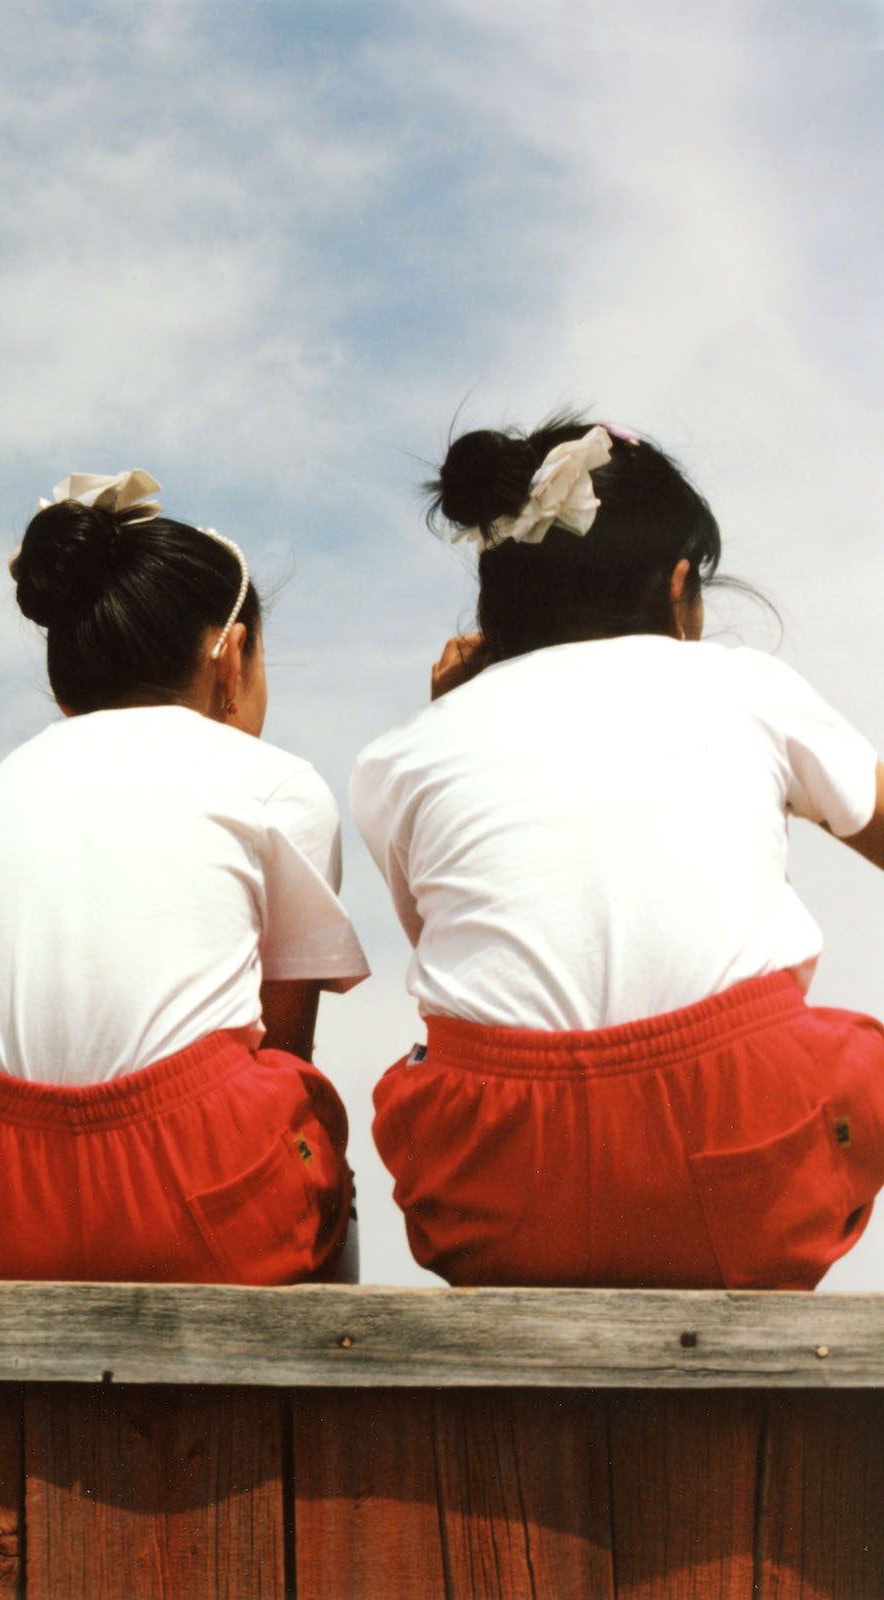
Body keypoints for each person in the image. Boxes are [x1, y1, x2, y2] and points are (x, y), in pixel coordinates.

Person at [352, 417, 884, 1289]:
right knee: (848, 1054)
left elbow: (470, 952)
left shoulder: (400, 757)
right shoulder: (742, 685)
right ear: (681, 588)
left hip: (501, 1200)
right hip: (748, 1172)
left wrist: (444, 714)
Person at [0, 471, 370, 1283]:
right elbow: (283, 1047)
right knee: (305, 1119)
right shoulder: (275, 781)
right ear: (232, 654)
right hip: (201, 1199)